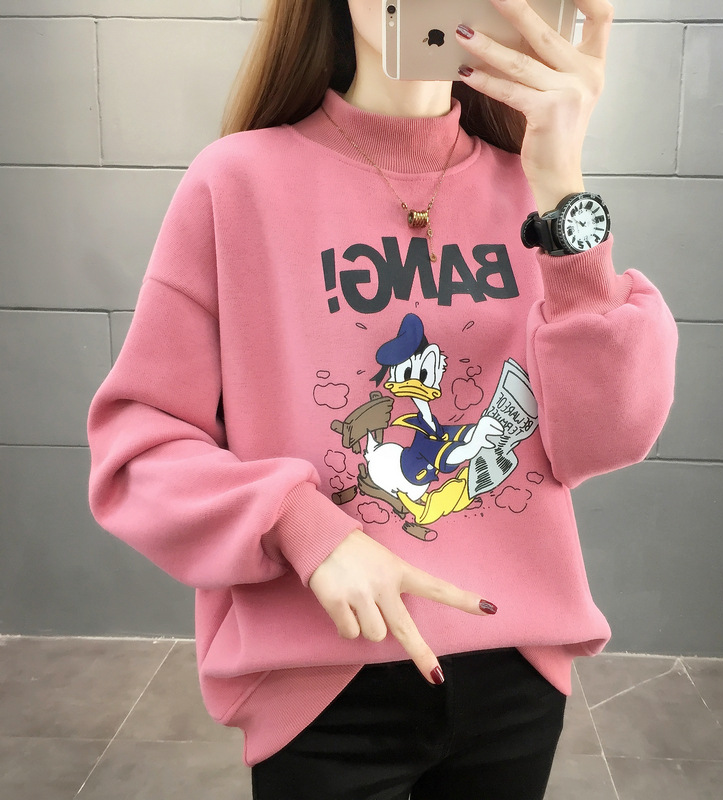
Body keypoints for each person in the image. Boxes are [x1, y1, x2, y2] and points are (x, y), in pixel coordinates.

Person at [86, 0, 678, 798]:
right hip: (324, 682)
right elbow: (137, 446)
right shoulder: (236, 182)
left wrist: (563, 187)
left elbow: (607, 438)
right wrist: (305, 529)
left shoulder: (539, 195)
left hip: (512, 673)